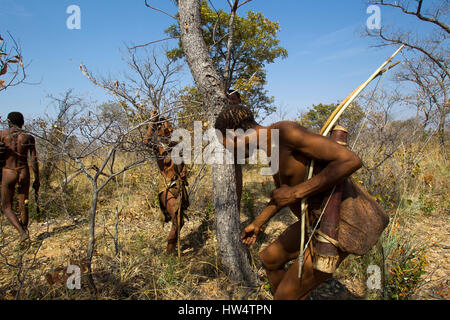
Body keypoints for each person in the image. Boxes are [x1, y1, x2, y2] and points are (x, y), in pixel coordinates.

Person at [214, 105, 363, 300]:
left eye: (228, 146)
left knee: (284, 297)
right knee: (270, 260)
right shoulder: (271, 148)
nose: (231, 153)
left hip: (340, 223)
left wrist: (296, 193)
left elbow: (350, 160)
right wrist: (258, 223)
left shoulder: (285, 132)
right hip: (314, 221)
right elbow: (283, 194)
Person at [144, 111, 189, 254]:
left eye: (169, 126)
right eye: (164, 127)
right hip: (166, 186)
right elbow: (145, 141)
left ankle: (170, 251)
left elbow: (183, 165)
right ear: (159, 131)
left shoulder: (177, 146)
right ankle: (168, 255)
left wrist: (183, 172)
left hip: (179, 187)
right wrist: (153, 121)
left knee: (180, 221)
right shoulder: (158, 147)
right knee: (177, 219)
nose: (169, 129)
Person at [0, 112, 39, 242]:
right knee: (24, 203)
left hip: (8, 171)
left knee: (6, 206)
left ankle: (22, 232)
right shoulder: (28, 137)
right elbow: (33, 160)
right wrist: (37, 179)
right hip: (24, 171)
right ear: (22, 122)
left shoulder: (2, 135)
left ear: (9, 122)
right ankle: (24, 232)